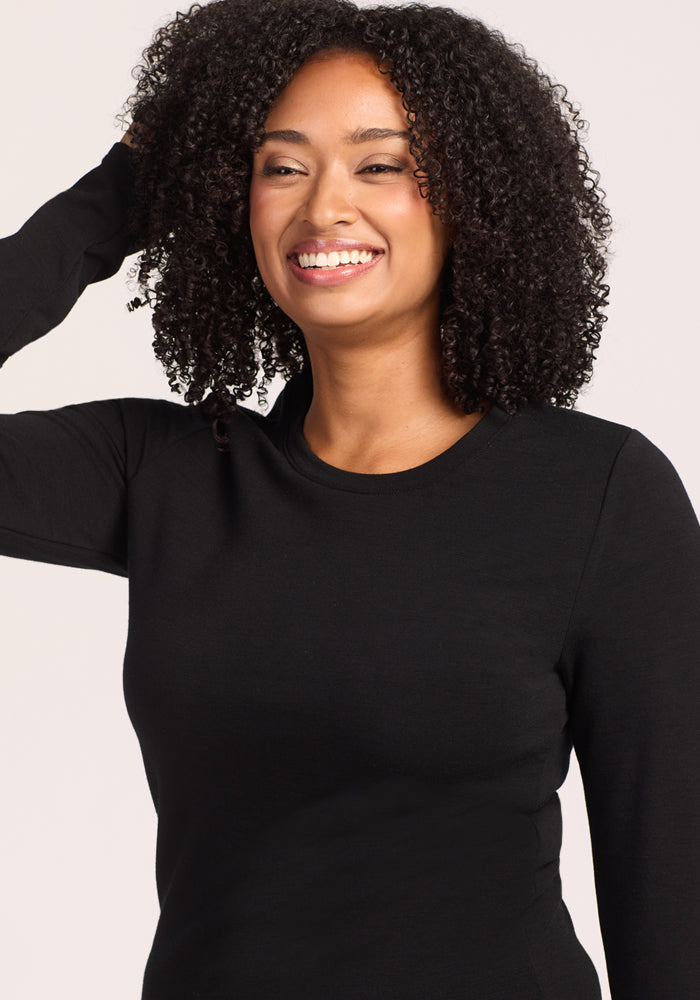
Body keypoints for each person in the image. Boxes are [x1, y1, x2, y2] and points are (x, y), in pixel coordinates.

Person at [1, 0, 698, 997]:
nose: (324, 207)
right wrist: (115, 197)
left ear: (476, 195)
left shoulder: (597, 494)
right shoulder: (168, 473)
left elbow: (671, 898)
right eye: (282, 166)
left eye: (380, 165)